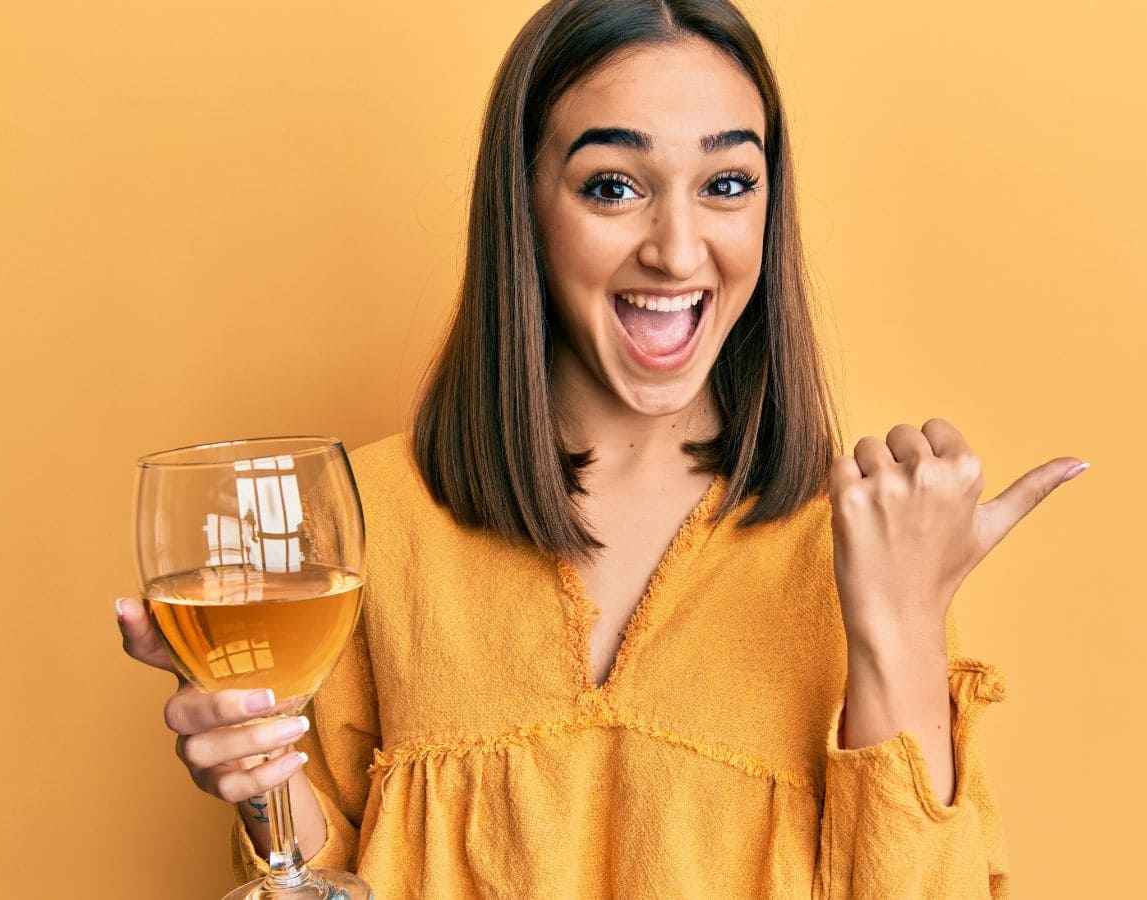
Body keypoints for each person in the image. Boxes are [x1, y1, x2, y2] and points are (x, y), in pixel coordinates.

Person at [118, 0, 1086, 895]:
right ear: (524, 207)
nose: (675, 246)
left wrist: (902, 631)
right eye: (614, 185)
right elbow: (323, 877)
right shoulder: (367, 526)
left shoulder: (863, 545)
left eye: (726, 182)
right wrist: (257, 777)